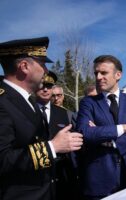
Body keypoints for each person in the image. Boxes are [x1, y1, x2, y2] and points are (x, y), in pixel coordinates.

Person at [0, 37, 83, 200]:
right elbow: (3, 159)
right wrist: (52, 147)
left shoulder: (27, 100)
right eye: (42, 63)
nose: (46, 71)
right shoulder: (2, 102)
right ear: (24, 66)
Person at [76, 55, 126, 199]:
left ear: (118, 75)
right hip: (100, 178)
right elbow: (84, 132)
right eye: (96, 73)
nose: (98, 77)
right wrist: (122, 128)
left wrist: (112, 141)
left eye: (103, 73)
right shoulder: (88, 103)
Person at [35, 71, 80, 199]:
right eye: (41, 85)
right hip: (36, 174)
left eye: (49, 86)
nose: (45, 89)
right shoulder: (26, 110)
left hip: (62, 173)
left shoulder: (64, 113)